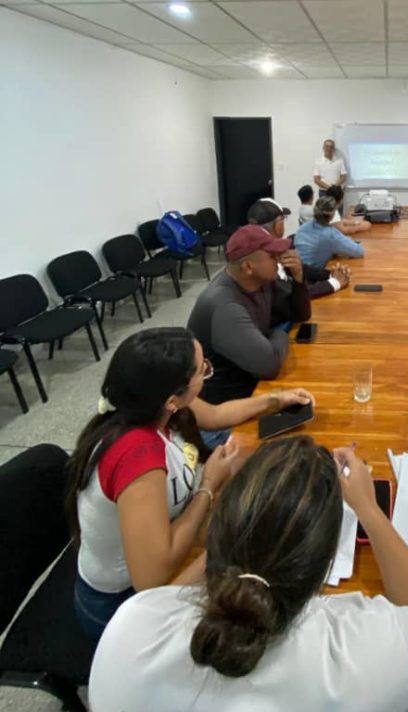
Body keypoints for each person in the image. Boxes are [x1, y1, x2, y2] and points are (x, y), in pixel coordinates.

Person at [89, 437, 408, 711]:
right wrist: (368, 510)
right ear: (323, 566)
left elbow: (161, 599)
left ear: (219, 530)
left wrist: (240, 531)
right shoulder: (371, 655)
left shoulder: (130, 629)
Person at [66, 327, 314, 640]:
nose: (206, 373)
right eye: (202, 371)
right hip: (123, 609)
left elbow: (217, 414)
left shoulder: (152, 400)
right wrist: (209, 487)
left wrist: (276, 400)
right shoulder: (137, 455)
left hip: (154, 565)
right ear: (173, 399)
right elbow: (151, 582)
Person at [187, 223, 311, 404]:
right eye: (272, 255)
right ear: (248, 267)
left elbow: (299, 314)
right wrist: (278, 332)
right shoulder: (224, 305)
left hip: (251, 386)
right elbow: (269, 365)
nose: (280, 259)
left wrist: (298, 278)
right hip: (227, 408)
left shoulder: (261, 282)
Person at [294, 196, 365, 269]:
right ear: (333, 214)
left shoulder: (303, 227)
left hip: (297, 271)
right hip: (313, 276)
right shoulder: (330, 234)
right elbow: (359, 252)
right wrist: (348, 240)